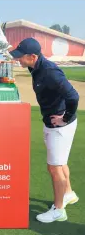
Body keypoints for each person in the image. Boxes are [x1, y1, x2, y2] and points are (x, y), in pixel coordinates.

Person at [10, 38, 79, 223]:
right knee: (60, 163)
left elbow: (73, 96)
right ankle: (69, 193)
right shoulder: (35, 66)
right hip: (53, 122)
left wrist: (65, 117)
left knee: (54, 167)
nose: (18, 60)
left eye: (20, 57)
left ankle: (58, 210)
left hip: (60, 125)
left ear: (33, 56)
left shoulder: (50, 72)